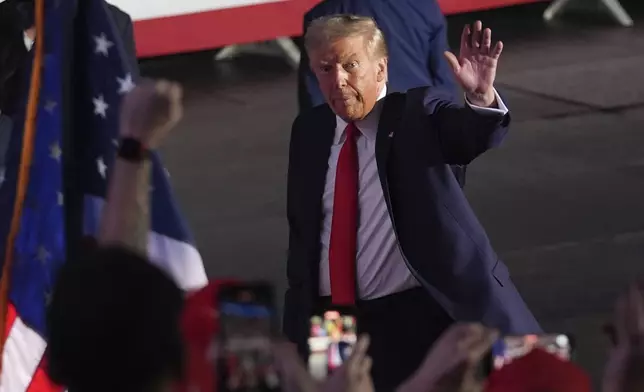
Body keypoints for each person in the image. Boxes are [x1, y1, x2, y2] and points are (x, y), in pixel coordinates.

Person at [283, 15, 541, 391]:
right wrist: (295, 333)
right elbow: (303, 237)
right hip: (333, 319)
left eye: (350, 65)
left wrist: (480, 98)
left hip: (417, 311)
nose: (337, 79)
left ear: (381, 67)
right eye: (325, 68)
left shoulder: (417, 113)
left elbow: (469, 135)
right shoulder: (309, 130)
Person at [298, 0, 468, 188]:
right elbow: (443, 76)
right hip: (419, 124)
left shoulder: (321, 18)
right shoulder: (423, 6)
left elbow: (314, 93)